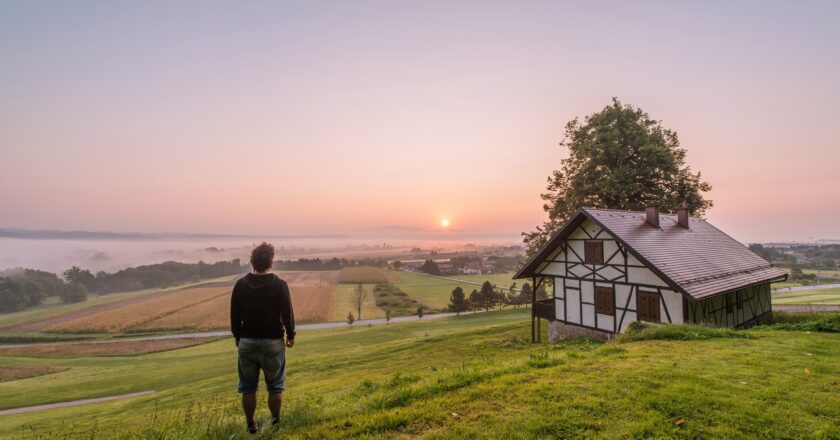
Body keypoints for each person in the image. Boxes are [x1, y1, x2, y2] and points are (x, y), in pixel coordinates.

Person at [230, 242, 295, 434]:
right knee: (275, 386)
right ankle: (275, 423)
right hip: (273, 342)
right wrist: (290, 335)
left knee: (248, 387)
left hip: (247, 342)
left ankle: (251, 425)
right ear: (271, 262)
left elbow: (234, 315)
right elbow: (287, 314)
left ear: (252, 262)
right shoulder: (280, 285)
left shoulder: (241, 285)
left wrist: (237, 337)